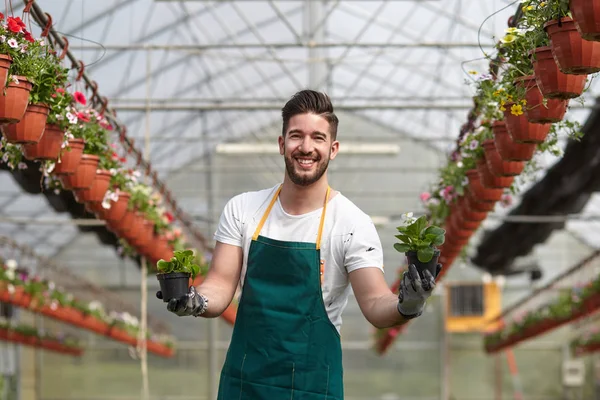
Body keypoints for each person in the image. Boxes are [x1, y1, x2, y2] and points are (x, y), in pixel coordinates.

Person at [157, 89, 442, 399]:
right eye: (296, 136)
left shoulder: (351, 223)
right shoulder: (243, 210)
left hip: (313, 387)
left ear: (333, 149)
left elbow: (374, 302)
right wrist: (196, 299)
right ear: (282, 144)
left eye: (318, 138)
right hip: (244, 384)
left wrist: (408, 304)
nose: (306, 147)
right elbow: (221, 285)